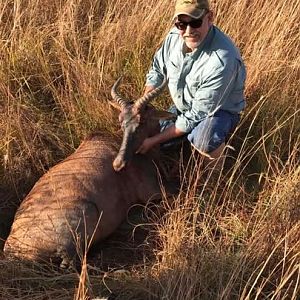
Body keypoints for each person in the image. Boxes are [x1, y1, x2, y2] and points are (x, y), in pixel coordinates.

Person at [137, 0, 246, 172]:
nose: (188, 31)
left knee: (204, 138)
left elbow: (196, 115)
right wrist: (143, 103)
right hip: (184, 107)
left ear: (210, 17)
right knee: (153, 134)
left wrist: (153, 141)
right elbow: (157, 70)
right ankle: (183, 145)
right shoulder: (174, 37)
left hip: (217, 112)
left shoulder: (222, 60)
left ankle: (214, 178)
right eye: (181, 24)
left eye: (195, 22)